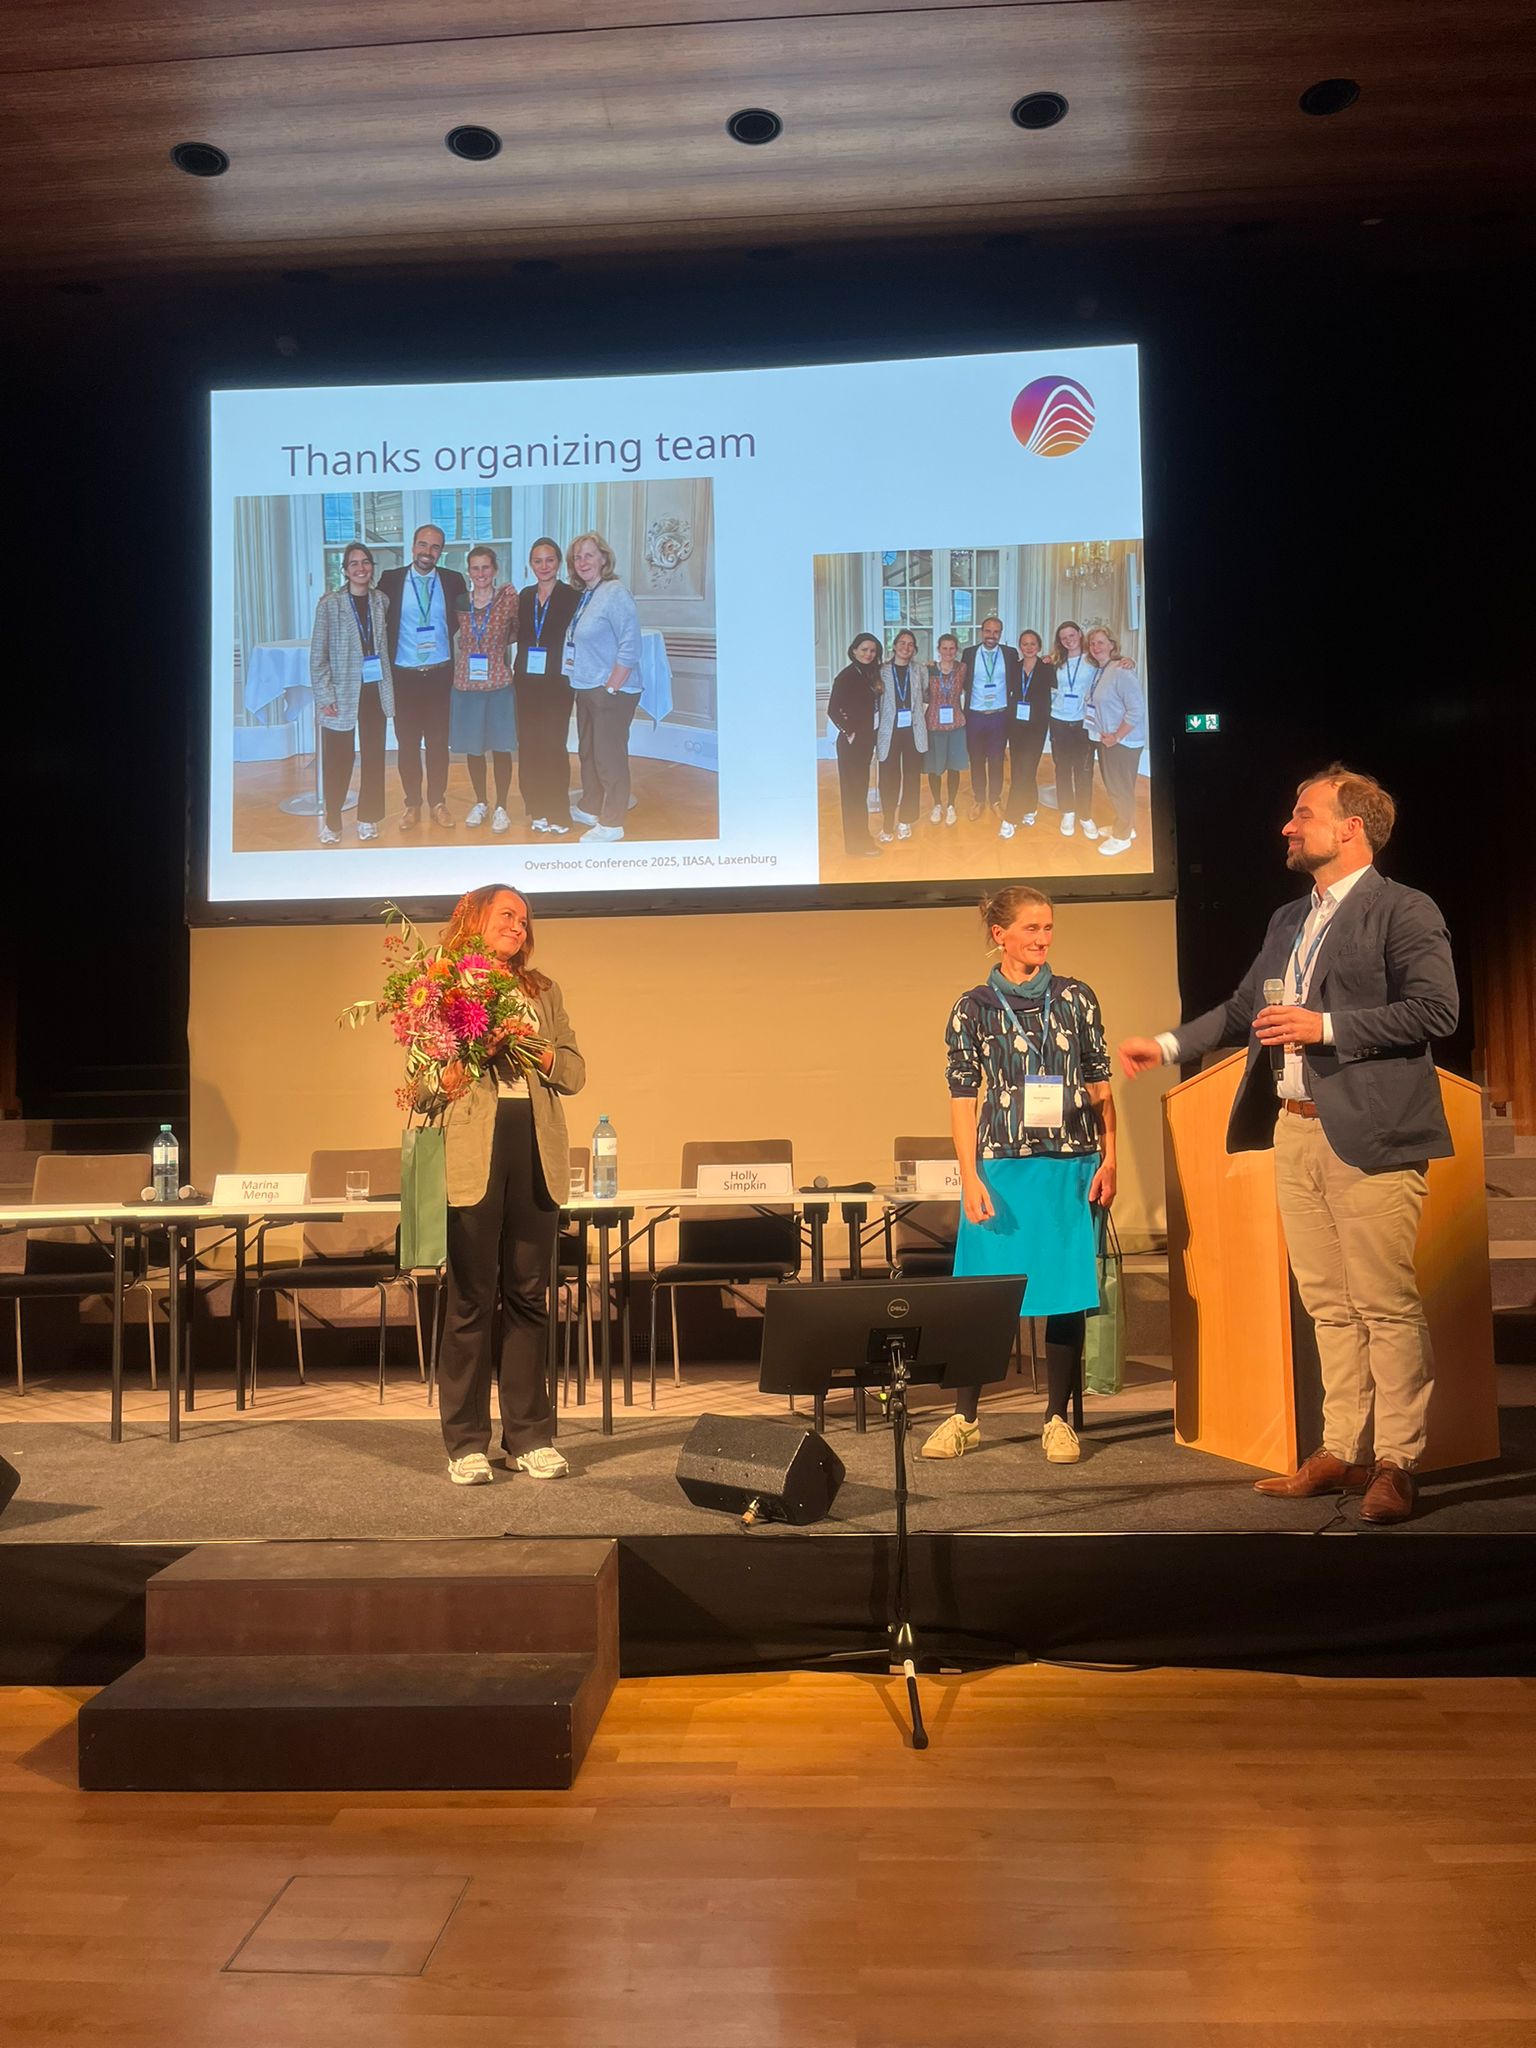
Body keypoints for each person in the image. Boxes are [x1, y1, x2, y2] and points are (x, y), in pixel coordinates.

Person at [1119, 766, 1458, 1524]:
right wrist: (1167, 1045)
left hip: (1372, 1133)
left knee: (1384, 1305)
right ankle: (1343, 1448)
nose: (1287, 826)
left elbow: (1436, 1009)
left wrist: (1324, 1027)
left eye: (1303, 814)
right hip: (1296, 1128)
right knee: (1328, 1304)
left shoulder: (1403, 908)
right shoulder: (1289, 919)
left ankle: (1398, 1462)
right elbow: (1244, 1007)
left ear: (1350, 828)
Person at [922, 884, 1117, 1465]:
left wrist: (1111, 1158)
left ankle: (1057, 1419)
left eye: (1048, 928)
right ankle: (965, 1418)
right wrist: (969, 1175)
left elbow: (1100, 1083)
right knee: (983, 1296)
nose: (1042, 938)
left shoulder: (1077, 998)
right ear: (999, 935)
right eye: (1031, 928)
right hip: (1001, 1170)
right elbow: (962, 1099)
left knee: (1065, 1292)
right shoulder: (973, 1008)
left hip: (1070, 1166)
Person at [427, 885, 586, 1486]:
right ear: (475, 921)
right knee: (470, 1298)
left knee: (528, 1295)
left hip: (534, 1145)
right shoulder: (444, 986)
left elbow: (574, 1071)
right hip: (475, 1148)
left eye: (524, 920)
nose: (518, 926)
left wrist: (534, 1050)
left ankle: (529, 1437)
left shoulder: (543, 991)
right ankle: (466, 1443)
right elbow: (426, 1087)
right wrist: (477, 1051)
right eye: (507, 915)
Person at [379, 525, 467, 830]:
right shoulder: (390, 580)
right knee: (407, 744)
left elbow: (466, 619)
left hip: (440, 676)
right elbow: (369, 607)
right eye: (422, 545)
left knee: (439, 744)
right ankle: (412, 804)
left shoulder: (453, 581)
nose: (427, 552)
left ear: (441, 551)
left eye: (434, 547)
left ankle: (438, 802)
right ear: (413, 546)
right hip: (404, 678)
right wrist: (336, 596)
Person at [308, 542, 395, 845]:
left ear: (372, 567)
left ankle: (368, 818)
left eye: (365, 562)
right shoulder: (329, 605)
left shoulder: (381, 601)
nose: (361, 568)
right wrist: (325, 696)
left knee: (373, 757)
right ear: (345, 570)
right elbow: (318, 656)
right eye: (354, 563)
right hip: (341, 692)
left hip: (374, 689)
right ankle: (333, 821)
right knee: (338, 759)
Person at [565, 531, 642, 845]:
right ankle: (591, 807)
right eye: (577, 557)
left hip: (611, 690)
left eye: (589, 555)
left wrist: (611, 688)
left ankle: (612, 823)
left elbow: (631, 645)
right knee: (589, 753)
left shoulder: (615, 593)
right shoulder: (588, 594)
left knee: (609, 758)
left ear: (603, 558)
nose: (583, 562)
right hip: (586, 686)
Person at [450, 545, 519, 833]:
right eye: (475, 568)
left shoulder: (508, 601)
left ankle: (501, 806)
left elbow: (516, 631)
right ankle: (481, 802)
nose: (481, 573)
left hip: (499, 684)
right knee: (474, 749)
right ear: (469, 571)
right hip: (467, 685)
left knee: (501, 748)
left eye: (486, 567)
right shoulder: (460, 602)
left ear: (495, 570)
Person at [514, 536, 580, 836]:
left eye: (549, 560)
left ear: (559, 563)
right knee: (529, 746)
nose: (544, 566)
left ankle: (558, 810)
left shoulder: (572, 596)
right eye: (538, 561)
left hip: (557, 683)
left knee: (553, 745)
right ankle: (537, 807)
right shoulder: (525, 596)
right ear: (531, 564)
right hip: (526, 682)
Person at [1082, 627, 1146, 858]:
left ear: (1111, 644)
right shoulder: (1101, 670)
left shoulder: (1121, 670)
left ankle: (1122, 837)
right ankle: (1125, 826)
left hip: (1121, 742)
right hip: (1107, 739)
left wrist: (1117, 736)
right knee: (1118, 787)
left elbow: (1136, 710)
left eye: (1100, 642)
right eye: (1092, 643)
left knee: (1120, 789)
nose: (1096, 647)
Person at [827, 632, 885, 858]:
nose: (868, 654)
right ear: (854, 650)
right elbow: (833, 710)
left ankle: (862, 838)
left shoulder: (870, 673)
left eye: (872, 651)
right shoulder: (846, 676)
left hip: (866, 741)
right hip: (852, 744)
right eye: (864, 650)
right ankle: (856, 846)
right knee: (853, 796)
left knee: (859, 793)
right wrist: (849, 731)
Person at [959, 615, 1019, 820]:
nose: (991, 635)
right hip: (974, 716)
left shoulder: (1010, 654)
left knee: (996, 760)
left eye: (996, 632)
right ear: (981, 632)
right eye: (988, 631)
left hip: (1000, 717)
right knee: (976, 760)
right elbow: (960, 679)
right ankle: (978, 800)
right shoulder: (969, 653)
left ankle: (995, 799)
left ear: (1000, 633)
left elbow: (1021, 674)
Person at [1000, 629, 1054, 841]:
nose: (1029, 647)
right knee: (1020, 770)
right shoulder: (1014, 667)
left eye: (1033, 643)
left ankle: (1010, 818)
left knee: (1025, 769)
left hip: (1036, 728)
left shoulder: (1048, 667)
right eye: (1025, 643)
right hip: (1016, 727)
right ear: (1020, 646)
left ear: (1039, 646)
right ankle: (1030, 807)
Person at [875, 628, 928, 841]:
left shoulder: (920, 670)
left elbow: (925, 693)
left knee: (912, 778)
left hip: (914, 731)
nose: (906, 647)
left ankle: (905, 820)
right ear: (895, 646)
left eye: (910, 644)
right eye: (902, 643)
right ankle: (888, 822)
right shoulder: (881, 671)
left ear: (914, 649)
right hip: (889, 731)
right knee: (888, 778)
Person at [1048, 620, 1098, 838]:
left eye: (1071, 635)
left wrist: (1127, 661)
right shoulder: (1056, 662)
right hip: (1058, 720)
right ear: (1059, 641)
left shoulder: (1093, 659)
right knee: (1062, 768)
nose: (1068, 640)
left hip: (1083, 722)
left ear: (1079, 634)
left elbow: (1112, 664)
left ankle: (1085, 815)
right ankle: (1067, 811)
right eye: (1063, 638)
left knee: (1084, 769)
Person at [924, 633, 968, 825]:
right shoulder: (930, 669)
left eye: (952, 648)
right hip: (934, 724)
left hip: (956, 724)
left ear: (956, 649)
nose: (948, 652)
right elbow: (922, 694)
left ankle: (951, 805)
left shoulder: (962, 668)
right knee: (934, 767)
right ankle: (937, 804)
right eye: (944, 648)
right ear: (938, 649)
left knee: (953, 766)